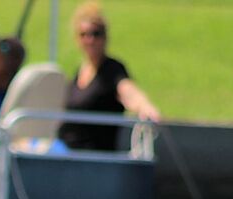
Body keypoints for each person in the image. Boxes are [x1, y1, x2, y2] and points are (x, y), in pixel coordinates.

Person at [57, 1, 160, 151]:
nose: (90, 40)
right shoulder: (79, 72)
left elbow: (128, 91)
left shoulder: (112, 69)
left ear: (105, 36)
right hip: (65, 149)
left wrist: (145, 106)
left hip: (93, 154)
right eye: (84, 34)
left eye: (95, 34)